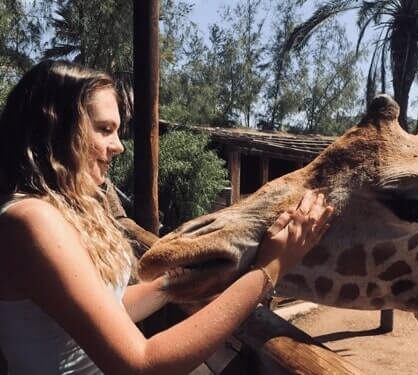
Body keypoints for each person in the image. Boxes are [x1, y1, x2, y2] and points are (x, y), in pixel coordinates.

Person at [0, 60, 333, 374]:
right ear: (56, 131)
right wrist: (269, 270)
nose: (119, 146)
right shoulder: (31, 221)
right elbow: (141, 365)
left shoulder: (50, 213)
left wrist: (173, 283)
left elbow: (107, 312)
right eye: (104, 129)